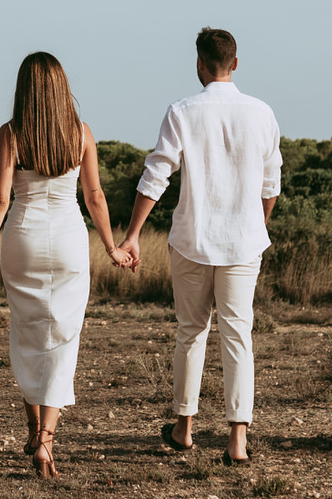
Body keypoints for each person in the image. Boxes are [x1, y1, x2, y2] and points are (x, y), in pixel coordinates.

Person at [117, 27, 281, 466]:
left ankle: (184, 429)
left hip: (192, 240)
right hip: (243, 243)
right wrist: (255, 227)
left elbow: (156, 176)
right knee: (238, 336)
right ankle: (237, 441)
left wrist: (132, 234)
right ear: (236, 64)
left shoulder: (182, 111)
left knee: (191, 332)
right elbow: (271, 184)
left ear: (199, 64)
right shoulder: (262, 113)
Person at [0, 52, 135, 479]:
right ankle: (46, 440)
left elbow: (0, 198)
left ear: (23, 88)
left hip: (22, 238)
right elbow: (95, 196)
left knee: (27, 331)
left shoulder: (10, 134)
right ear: (62, 87)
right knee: (63, 337)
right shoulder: (81, 132)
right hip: (68, 240)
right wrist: (112, 247)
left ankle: (32, 430)